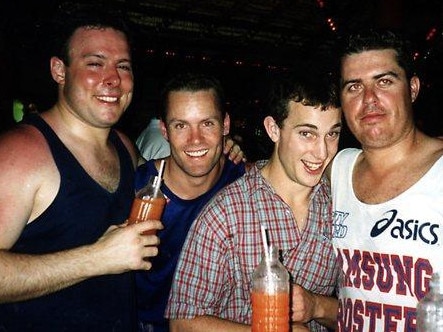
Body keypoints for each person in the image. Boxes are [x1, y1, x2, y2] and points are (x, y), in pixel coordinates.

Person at [0, 8, 162, 331]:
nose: (113, 79)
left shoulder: (124, 147)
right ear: (59, 71)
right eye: (95, 63)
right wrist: (96, 259)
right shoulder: (20, 153)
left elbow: (167, 180)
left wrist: (220, 152)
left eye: (123, 66)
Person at [166, 69, 343, 331]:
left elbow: (363, 312)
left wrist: (317, 306)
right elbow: (182, 323)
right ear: (273, 129)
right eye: (307, 133)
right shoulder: (224, 214)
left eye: (332, 134)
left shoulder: (340, 206)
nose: (322, 152)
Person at [331, 29, 443, 331]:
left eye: (384, 81)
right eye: (354, 87)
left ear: (413, 89)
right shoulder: (337, 169)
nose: (369, 99)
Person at [134, 71, 247, 332]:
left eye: (207, 123)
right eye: (181, 125)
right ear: (164, 130)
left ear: (225, 125)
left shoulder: (242, 181)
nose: (195, 140)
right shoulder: (136, 189)